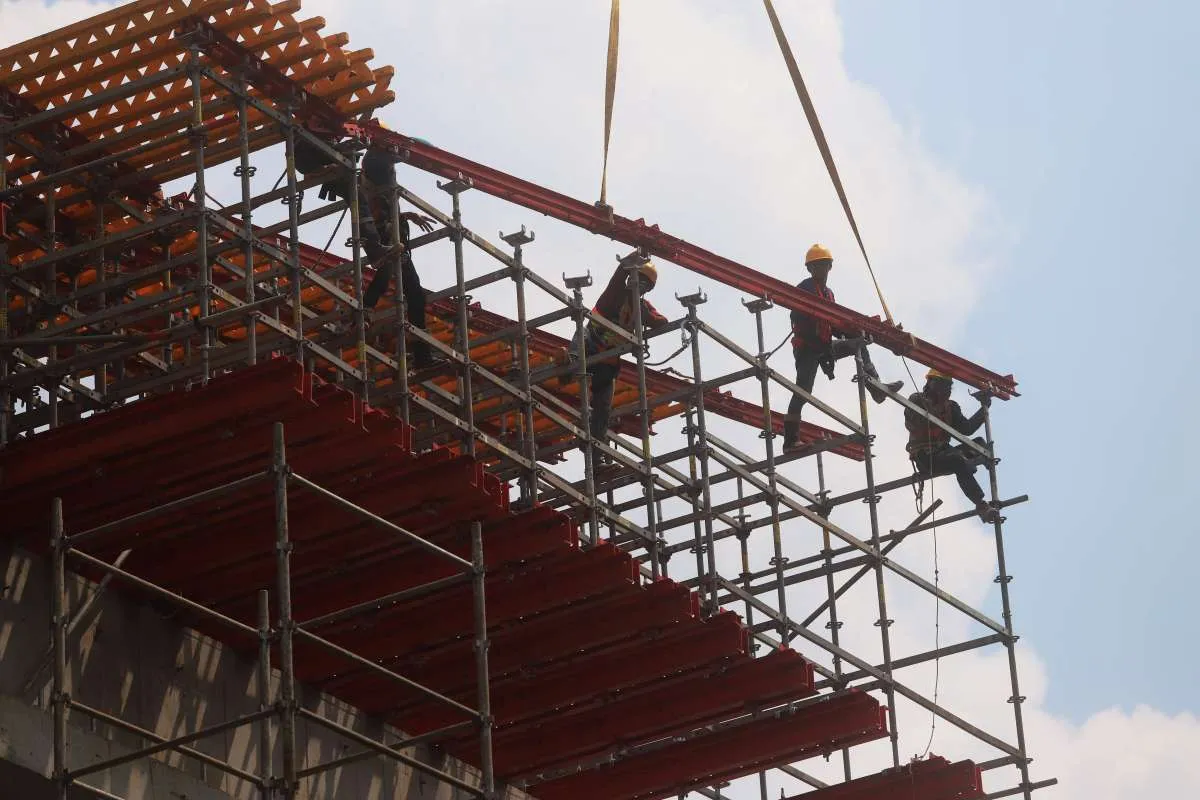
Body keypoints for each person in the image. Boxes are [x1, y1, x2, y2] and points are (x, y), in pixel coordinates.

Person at [293, 119, 439, 367]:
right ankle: (411, 349)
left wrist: (405, 215)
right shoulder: (375, 161)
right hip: (385, 232)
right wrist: (410, 147)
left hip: (392, 230)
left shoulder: (378, 163)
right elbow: (391, 167)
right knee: (410, 291)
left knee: (399, 286)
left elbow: (382, 197)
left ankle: (366, 318)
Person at [782, 243, 904, 452]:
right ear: (810, 269)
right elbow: (798, 315)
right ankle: (790, 441)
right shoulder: (805, 289)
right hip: (808, 348)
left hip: (824, 344)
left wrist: (863, 331)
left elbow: (836, 326)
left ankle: (875, 387)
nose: (821, 270)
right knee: (803, 391)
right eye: (816, 266)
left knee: (858, 344)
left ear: (829, 267)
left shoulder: (828, 293)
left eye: (824, 265)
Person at [578, 255, 669, 444]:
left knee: (602, 408)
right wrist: (630, 262)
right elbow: (617, 278)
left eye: (644, 284)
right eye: (637, 279)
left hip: (607, 364)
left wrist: (644, 314)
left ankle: (595, 447)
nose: (638, 285)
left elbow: (661, 322)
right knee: (580, 383)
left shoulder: (642, 306)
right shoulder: (615, 294)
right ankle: (567, 360)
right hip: (588, 350)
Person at [905, 368, 999, 523]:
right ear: (930, 384)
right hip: (926, 458)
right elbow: (911, 422)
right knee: (958, 461)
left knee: (979, 445)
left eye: (949, 386)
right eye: (943, 385)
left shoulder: (950, 407)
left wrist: (984, 407)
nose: (947, 390)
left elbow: (966, 429)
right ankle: (981, 506)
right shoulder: (917, 400)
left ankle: (973, 462)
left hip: (944, 453)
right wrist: (932, 407)